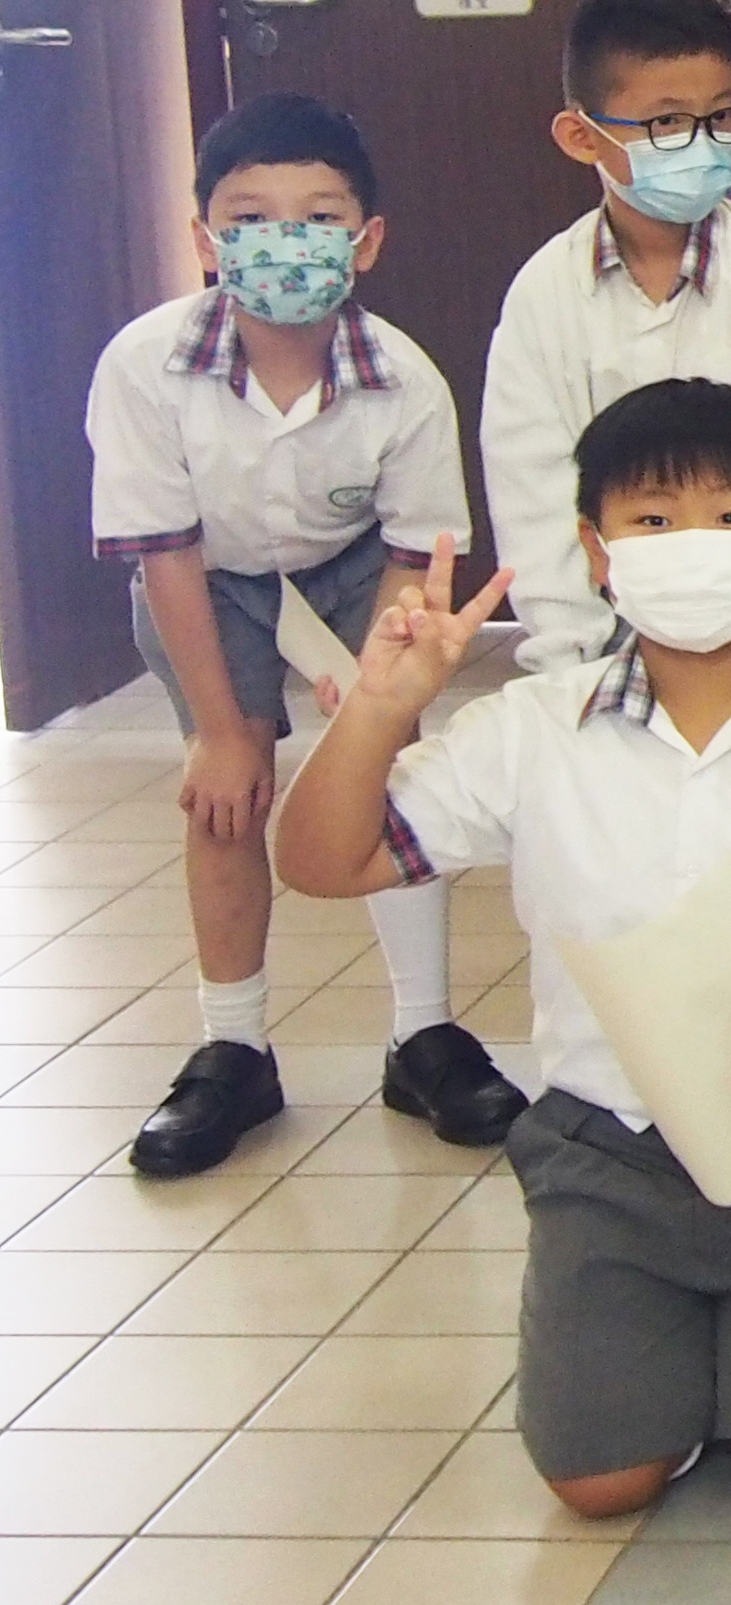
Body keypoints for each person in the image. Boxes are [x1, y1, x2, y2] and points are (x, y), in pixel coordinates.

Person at [272, 381, 731, 1518]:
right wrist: (376, 707)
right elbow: (322, 861)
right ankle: (683, 1339)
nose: (691, 543)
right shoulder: (530, 728)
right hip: (607, 1145)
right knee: (599, 1482)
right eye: (652, 520)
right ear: (598, 553)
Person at [87, 92, 518, 1175]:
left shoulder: (405, 380)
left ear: (366, 242)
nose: (287, 240)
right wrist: (220, 730)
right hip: (205, 579)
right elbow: (165, 552)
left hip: (359, 572)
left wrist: (375, 695)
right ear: (206, 239)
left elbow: (416, 555)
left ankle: (421, 1036)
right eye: (251, 217)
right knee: (225, 792)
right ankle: (233, 1050)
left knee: (388, 773)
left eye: (319, 217)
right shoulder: (142, 365)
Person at [480, 0, 731, 666]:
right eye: (666, 123)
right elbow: (534, 501)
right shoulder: (543, 298)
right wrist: (574, 660)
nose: (702, 142)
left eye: (720, 117)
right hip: (609, 635)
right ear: (581, 136)